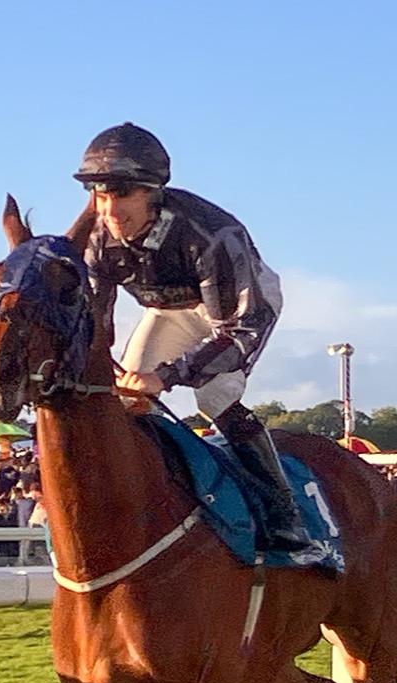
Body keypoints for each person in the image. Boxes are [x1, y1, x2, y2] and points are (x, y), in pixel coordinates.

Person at [73, 122, 318, 559]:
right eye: (101, 196)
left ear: (152, 192)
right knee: (126, 398)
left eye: (122, 195)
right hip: (170, 311)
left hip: (241, 311)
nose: (110, 211)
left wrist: (166, 376)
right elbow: (95, 320)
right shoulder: (98, 237)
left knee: (215, 396)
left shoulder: (211, 235)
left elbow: (240, 329)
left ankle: (286, 515)